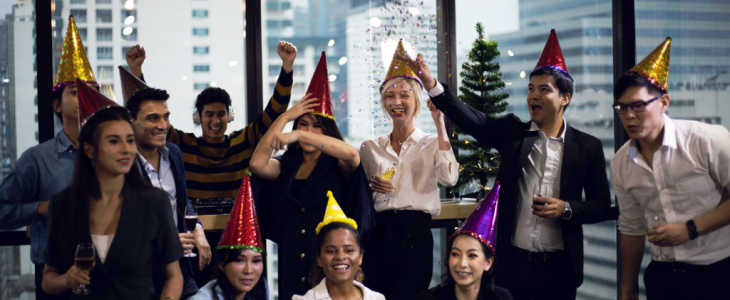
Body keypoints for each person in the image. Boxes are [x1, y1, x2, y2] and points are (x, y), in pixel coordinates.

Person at [405, 29, 613, 300]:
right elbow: (473, 120)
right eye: (530, 89)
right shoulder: (515, 134)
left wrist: (566, 208)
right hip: (513, 267)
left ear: (565, 98)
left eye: (543, 89)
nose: (533, 96)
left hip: (560, 270)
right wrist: (431, 84)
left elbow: (600, 205)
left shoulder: (587, 147)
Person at [612, 38, 730, 300]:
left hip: (718, 270)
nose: (629, 115)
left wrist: (690, 228)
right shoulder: (621, 162)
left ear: (664, 102)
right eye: (622, 108)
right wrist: (627, 290)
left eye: (638, 105)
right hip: (663, 276)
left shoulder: (705, 140)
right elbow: (631, 228)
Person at [250, 52, 374, 300]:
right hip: (291, 255)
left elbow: (352, 155)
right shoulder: (288, 164)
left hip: (328, 258)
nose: (307, 130)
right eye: (303, 124)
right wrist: (286, 117)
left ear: (326, 130)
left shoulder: (337, 162)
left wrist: (298, 135)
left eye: (316, 125)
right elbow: (257, 164)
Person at [42, 83, 183, 299]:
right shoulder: (63, 204)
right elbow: (48, 280)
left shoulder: (154, 202)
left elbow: (174, 276)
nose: (126, 149)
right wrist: (66, 280)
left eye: (130, 140)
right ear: (90, 149)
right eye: (114, 141)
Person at [124, 41, 297, 206]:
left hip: (237, 230)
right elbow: (148, 111)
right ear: (198, 117)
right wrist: (136, 70)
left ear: (229, 116)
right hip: (195, 231)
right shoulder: (184, 145)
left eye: (221, 114)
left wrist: (287, 67)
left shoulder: (242, 142)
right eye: (209, 114)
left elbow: (273, 114)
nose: (216, 121)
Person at [0, 15, 100, 300]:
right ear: (57, 105)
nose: (83, 97)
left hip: (108, 276)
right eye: (74, 91)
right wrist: (40, 209)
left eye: (90, 91)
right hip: (55, 278)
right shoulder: (37, 159)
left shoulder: (109, 154)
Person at [359, 40, 458, 299]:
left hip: (416, 234)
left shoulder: (431, 143)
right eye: (390, 96)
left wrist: (440, 123)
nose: (397, 101)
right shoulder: (371, 147)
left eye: (404, 95)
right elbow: (363, 190)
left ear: (416, 99)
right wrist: (372, 186)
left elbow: (450, 179)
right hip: (379, 234)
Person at [122, 71, 211, 298]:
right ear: (131, 121)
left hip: (181, 269)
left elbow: (181, 201)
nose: (163, 125)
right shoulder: (120, 166)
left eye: (166, 116)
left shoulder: (173, 153)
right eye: (153, 118)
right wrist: (164, 245)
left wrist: (198, 228)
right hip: (139, 276)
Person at [420, 183, 512, 300]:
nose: (462, 263)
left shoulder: (501, 298)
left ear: (488, 262)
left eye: (472, 255)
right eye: (455, 254)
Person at [293, 192, 384, 300]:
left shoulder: (377, 298)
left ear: (360, 257)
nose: (340, 257)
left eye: (349, 250)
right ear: (319, 259)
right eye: (331, 251)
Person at [190, 173, 267, 300]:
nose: (249, 271)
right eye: (239, 260)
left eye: (256, 261)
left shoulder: (261, 290)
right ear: (221, 263)